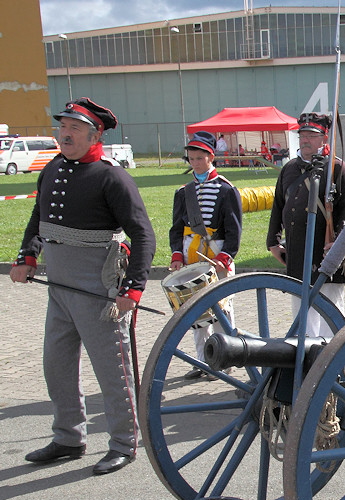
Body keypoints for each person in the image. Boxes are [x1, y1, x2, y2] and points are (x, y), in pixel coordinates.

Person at [10, 97, 155, 475]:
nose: (65, 134)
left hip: (99, 287)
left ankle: (124, 442)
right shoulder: (53, 169)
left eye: (74, 129)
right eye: (62, 127)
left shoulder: (112, 177)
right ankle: (69, 437)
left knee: (112, 370)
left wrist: (134, 290)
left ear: (95, 136)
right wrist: (27, 256)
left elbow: (143, 235)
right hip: (59, 288)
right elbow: (38, 217)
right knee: (56, 366)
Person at [266, 113, 345, 337]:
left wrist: (337, 246)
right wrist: (273, 242)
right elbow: (278, 206)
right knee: (301, 311)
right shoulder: (289, 169)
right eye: (302, 134)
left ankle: (330, 361)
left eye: (311, 135)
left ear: (325, 138)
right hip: (297, 250)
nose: (305, 140)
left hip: (326, 251)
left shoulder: (338, 169)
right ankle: (306, 358)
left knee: (329, 310)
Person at [169, 131, 242, 378]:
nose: (195, 163)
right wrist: (177, 255)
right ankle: (201, 361)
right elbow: (176, 228)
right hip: (192, 254)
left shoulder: (226, 190)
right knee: (196, 311)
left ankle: (225, 359)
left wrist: (226, 256)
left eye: (200, 158)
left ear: (211, 157)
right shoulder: (183, 192)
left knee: (222, 310)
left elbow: (234, 229)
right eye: (191, 159)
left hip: (217, 253)